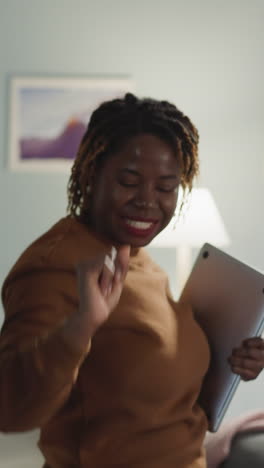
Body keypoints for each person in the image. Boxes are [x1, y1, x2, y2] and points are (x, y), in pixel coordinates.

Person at [0, 93, 263, 468]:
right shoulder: (54, 266)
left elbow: (144, 384)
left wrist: (232, 364)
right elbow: (12, 408)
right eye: (129, 181)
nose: (147, 201)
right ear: (91, 173)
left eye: (166, 187)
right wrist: (81, 325)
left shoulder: (132, 252)